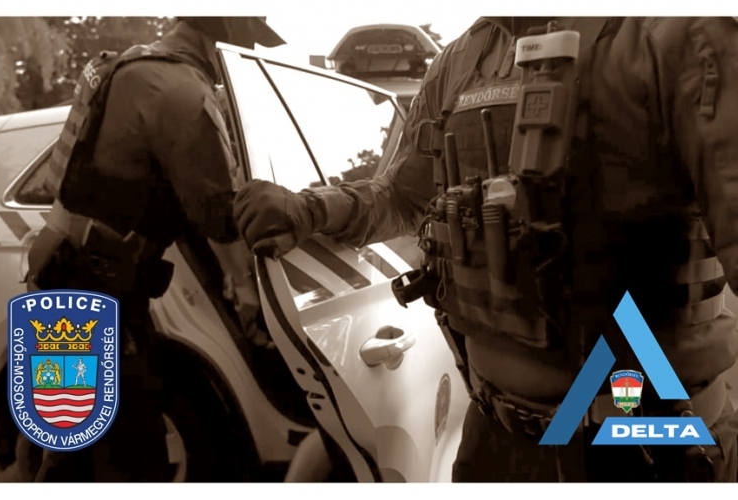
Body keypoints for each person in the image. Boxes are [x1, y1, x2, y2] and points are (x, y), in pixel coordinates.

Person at [234, 17, 738, 482]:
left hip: (651, 446)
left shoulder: (676, 35)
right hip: (495, 443)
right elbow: (403, 196)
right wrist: (310, 211)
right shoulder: (459, 61)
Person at [10, 17, 285, 482]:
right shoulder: (181, 93)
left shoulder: (129, 66)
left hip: (62, 280)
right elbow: (216, 211)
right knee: (127, 463)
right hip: (94, 293)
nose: (245, 57)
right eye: (247, 41)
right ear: (220, 31)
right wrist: (247, 292)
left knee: (66, 452)